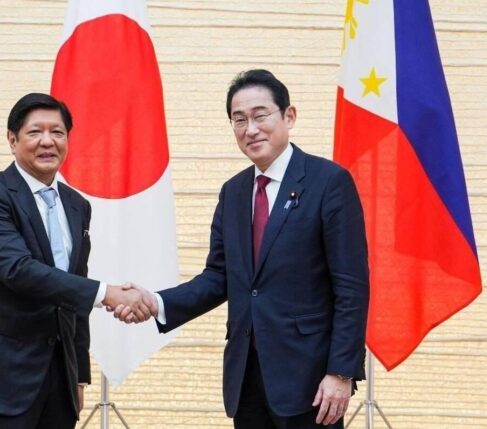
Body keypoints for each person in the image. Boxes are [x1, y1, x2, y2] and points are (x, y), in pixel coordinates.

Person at [119, 70, 370, 428]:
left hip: (311, 380)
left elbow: (351, 287)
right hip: (247, 377)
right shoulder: (233, 192)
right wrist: (156, 302)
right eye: (239, 120)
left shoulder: (329, 182)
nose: (250, 129)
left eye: (260, 115)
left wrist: (341, 372)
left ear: (289, 116)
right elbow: (218, 277)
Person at [0, 92, 153, 429]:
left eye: (57, 132)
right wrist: (107, 293)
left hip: (60, 380)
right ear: (12, 140)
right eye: (35, 132)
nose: (47, 141)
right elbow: (19, 270)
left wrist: (79, 375)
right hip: (4, 379)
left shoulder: (77, 205)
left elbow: (74, 290)